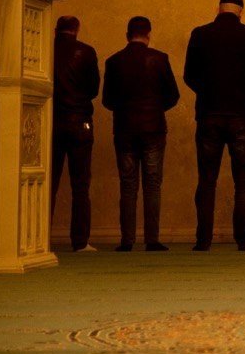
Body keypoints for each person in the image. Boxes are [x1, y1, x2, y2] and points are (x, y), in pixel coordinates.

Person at [183, 0, 245, 251]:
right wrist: (242, 90)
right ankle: (244, 239)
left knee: (207, 179)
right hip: (241, 113)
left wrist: (207, 92)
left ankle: (203, 240)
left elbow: (189, 75)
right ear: (241, 11)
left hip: (209, 112)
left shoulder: (200, 33)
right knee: (243, 179)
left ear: (218, 9)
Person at [101, 16, 180, 252]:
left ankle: (127, 240)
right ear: (148, 34)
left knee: (128, 184)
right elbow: (173, 96)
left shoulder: (114, 61)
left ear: (127, 35)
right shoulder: (159, 59)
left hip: (125, 128)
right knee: (152, 184)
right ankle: (152, 239)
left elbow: (107, 100)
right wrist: (155, 108)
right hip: (153, 128)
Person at [51, 15, 100, 253]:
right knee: (80, 185)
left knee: (48, 183)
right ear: (77, 30)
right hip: (80, 121)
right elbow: (93, 89)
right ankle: (80, 241)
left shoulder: (43, 49)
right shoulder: (86, 52)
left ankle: (39, 237)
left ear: (55, 30)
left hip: (50, 122)